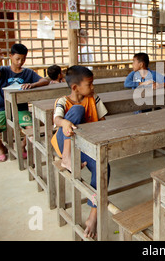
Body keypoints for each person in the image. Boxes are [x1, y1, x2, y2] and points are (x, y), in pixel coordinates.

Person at [50, 65, 109, 238]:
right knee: (77, 110)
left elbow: (103, 122)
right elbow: (57, 119)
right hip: (64, 144)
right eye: (89, 84)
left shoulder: (94, 99)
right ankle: (67, 158)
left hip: (84, 147)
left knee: (104, 168)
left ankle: (93, 216)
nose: (93, 88)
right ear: (75, 87)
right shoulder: (63, 101)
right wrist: (65, 123)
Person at [0, 44, 49, 162]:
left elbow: (45, 80)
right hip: (2, 108)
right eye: (17, 59)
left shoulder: (28, 73)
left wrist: (33, 84)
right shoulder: (3, 70)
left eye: (23, 59)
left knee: (32, 130)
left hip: (20, 109)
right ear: (10, 56)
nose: (20, 62)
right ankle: (2, 149)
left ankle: (22, 145)